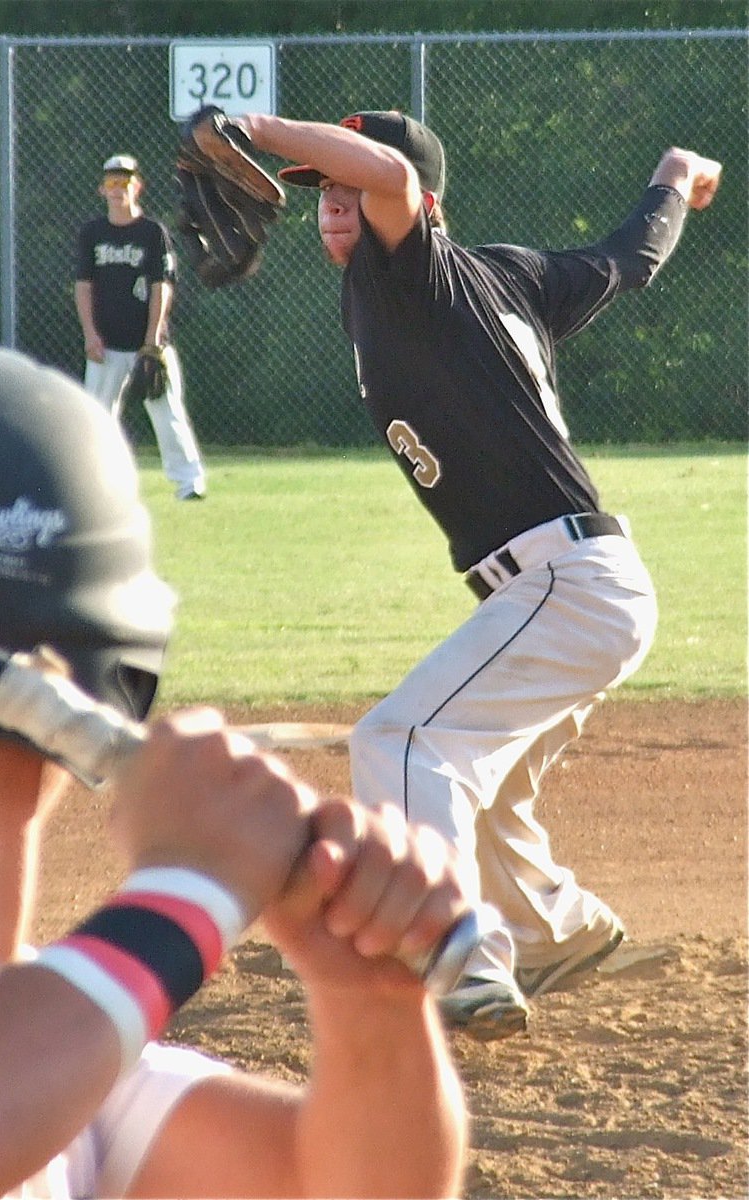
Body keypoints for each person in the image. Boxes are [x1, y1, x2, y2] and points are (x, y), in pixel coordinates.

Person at [0, 343, 469, 1198]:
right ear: (109, 672)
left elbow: (343, 1188)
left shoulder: (13, 1033)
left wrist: (370, 1000)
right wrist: (190, 889)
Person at [232, 108, 722, 1041]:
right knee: (485, 788)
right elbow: (630, 258)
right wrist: (672, 170)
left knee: (405, 741)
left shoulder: (415, 268)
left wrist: (254, 124)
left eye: (346, 189)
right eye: (320, 194)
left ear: (414, 201)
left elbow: (388, 179)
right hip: (576, 586)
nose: (331, 205)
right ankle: (554, 933)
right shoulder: (508, 278)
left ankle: (455, 948)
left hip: (564, 582)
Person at [75, 153, 207, 501]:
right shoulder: (93, 234)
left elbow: (161, 285)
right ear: (101, 190)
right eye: (111, 182)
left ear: (138, 186)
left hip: (149, 342)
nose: (117, 188)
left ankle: (188, 483)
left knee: (168, 412)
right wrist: (89, 333)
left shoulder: (152, 233)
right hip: (107, 341)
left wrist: (152, 341)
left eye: (124, 181)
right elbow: (84, 285)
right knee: (98, 416)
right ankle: (95, 487)